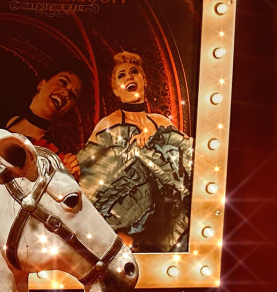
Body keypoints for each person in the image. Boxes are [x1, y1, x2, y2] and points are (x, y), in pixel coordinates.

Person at [77, 51, 193, 252]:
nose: (129, 77)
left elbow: (189, 160)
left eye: (134, 72)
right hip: (127, 221)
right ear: (116, 90)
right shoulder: (108, 124)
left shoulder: (162, 122)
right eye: (121, 75)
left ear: (144, 80)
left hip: (167, 220)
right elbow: (91, 179)